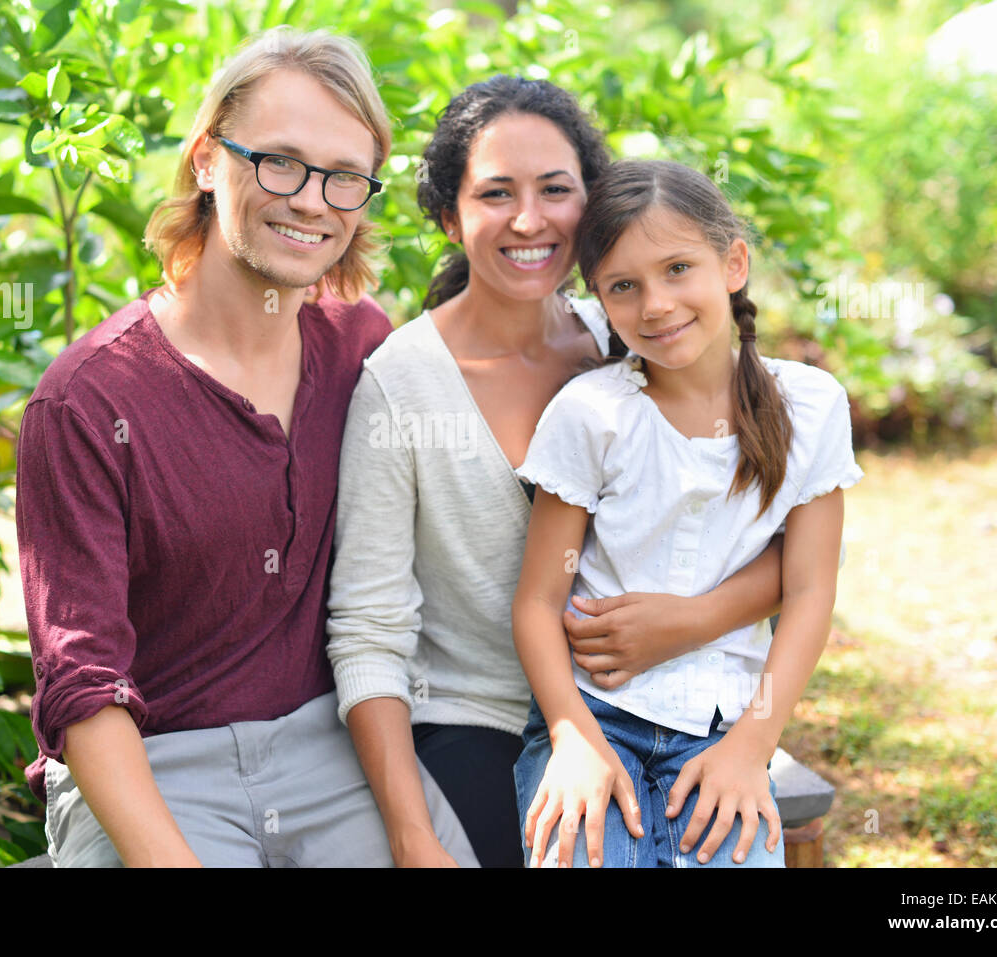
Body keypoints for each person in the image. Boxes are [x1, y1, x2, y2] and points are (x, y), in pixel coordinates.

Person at [15, 27, 474, 867]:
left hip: (331, 751)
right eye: (280, 162)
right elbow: (81, 688)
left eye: (345, 178)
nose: (312, 200)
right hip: (154, 766)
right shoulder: (85, 402)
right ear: (205, 159)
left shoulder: (360, 347)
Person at [325, 78, 788, 868]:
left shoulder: (639, 330)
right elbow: (368, 632)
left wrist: (694, 618)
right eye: (496, 193)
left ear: (592, 206)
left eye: (555, 190)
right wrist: (412, 833)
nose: (530, 219)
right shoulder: (400, 385)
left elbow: (792, 548)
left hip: (650, 704)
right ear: (449, 216)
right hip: (477, 717)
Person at [511, 159, 864, 868]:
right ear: (600, 301)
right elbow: (536, 603)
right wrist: (573, 738)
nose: (656, 304)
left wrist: (752, 747)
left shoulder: (812, 406)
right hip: (593, 715)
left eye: (678, 268)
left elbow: (809, 590)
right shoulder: (592, 414)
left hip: (726, 726)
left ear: (733, 262)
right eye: (623, 286)